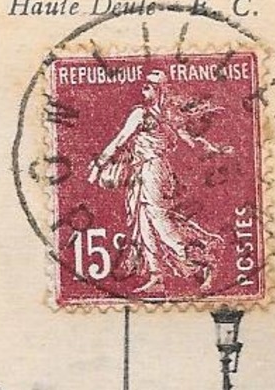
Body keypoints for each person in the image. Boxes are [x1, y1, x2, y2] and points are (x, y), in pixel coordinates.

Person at [87, 68, 229, 294]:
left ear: (160, 90)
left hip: (152, 170)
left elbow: (120, 140)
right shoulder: (164, 119)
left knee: (161, 221)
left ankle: (204, 260)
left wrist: (98, 166)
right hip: (148, 171)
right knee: (144, 222)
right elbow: (190, 141)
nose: (145, 87)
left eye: (150, 85)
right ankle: (157, 275)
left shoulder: (145, 115)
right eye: (145, 83)